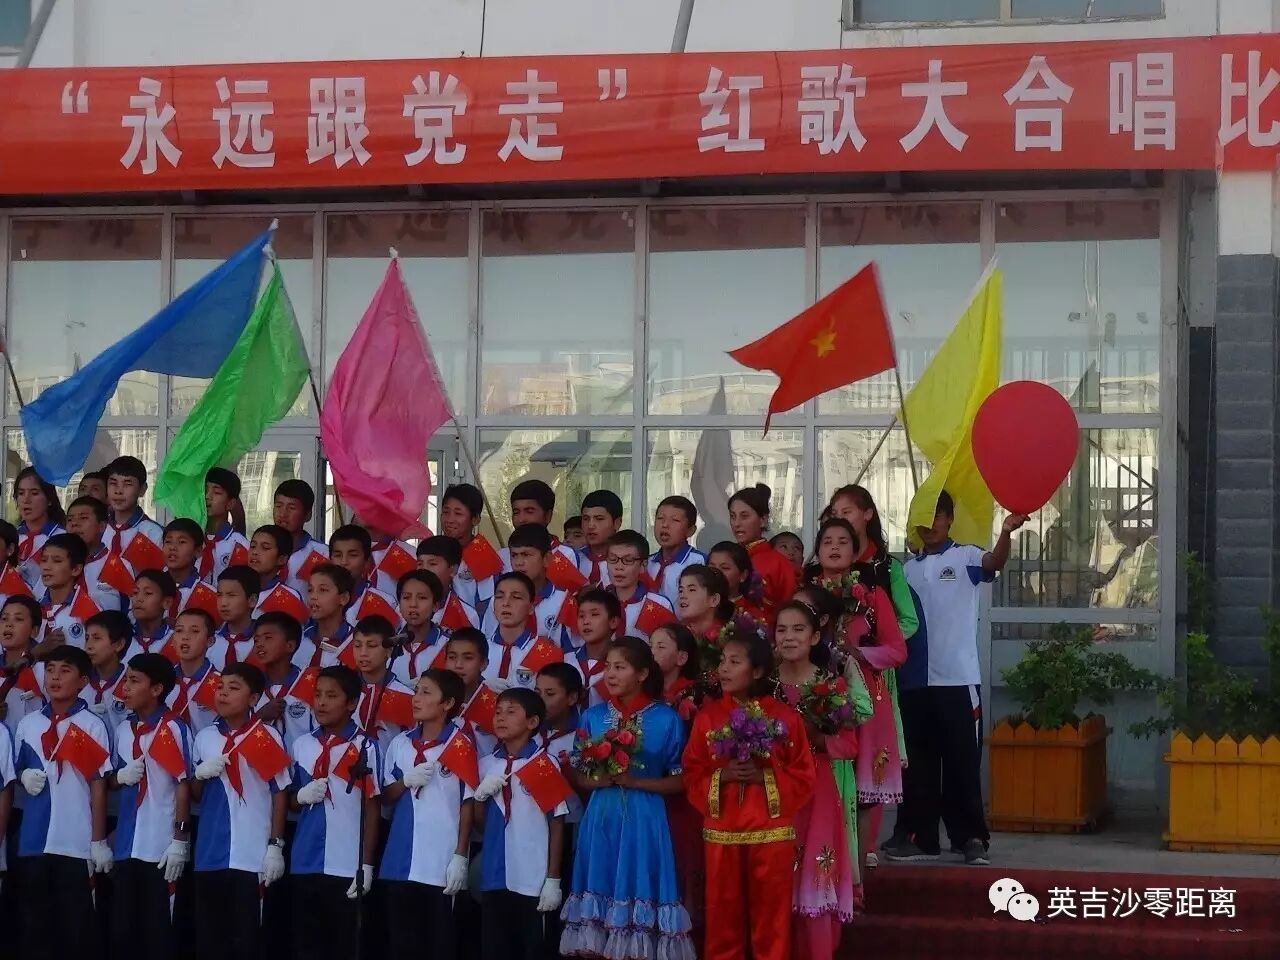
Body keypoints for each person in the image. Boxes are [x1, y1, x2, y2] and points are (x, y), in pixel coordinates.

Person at [891, 491, 1026, 867]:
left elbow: (994, 562)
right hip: (914, 681)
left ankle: (970, 837)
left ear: (949, 519)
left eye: (938, 515)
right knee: (918, 764)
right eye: (923, 517)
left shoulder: (965, 556)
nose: (930, 524)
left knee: (961, 762)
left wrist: (1006, 533)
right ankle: (920, 838)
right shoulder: (906, 571)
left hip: (957, 680)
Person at [681, 628, 814, 960]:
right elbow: (692, 772)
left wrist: (764, 777)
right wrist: (722, 775)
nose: (724, 669)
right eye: (723, 661)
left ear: (757, 671)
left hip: (771, 833)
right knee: (722, 918)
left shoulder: (785, 718)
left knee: (772, 920)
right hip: (722, 833)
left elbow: (803, 776)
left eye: (734, 662)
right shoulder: (708, 718)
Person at [560, 637, 692, 959]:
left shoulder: (666, 719)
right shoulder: (592, 716)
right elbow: (579, 774)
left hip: (645, 817)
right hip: (601, 816)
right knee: (597, 897)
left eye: (620, 667)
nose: (610, 674)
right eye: (608, 667)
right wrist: (598, 780)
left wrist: (636, 781)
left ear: (642, 674)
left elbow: (682, 780)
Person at [825, 484, 920, 869]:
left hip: (873, 674)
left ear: (866, 515)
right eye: (834, 514)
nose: (840, 521)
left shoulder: (884, 571)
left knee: (870, 764)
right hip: (826, 682)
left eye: (847, 511)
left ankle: (863, 853)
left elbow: (907, 625)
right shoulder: (814, 582)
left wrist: (866, 648)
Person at [810, 517, 906, 874]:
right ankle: (823, 876)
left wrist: (859, 654)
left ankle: (857, 878)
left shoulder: (872, 596)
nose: (834, 547)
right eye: (827, 542)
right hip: (816, 698)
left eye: (843, 542)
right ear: (817, 552)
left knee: (864, 796)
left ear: (855, 553)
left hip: (866, 700)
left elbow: (897, 651)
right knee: (824, 785)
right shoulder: (805, 596)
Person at [774, 600, 865, 952]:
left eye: (798, 630)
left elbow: (850, 744)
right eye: (781, 630)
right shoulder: (763, 684)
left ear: (814, 637)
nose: (789, 637)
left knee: (816, 869)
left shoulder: (830, 685)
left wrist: (815, 738)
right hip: (773, 790)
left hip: (818, 789)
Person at [14, 645, 113, 960]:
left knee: (75, 929)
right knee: (34, 927)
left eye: (65, 670)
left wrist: (98, 841)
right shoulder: (29, 724)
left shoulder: (91, 724)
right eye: (50, 670)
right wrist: (23, 774)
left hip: (74, 841)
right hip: (33, 839)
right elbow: (16, 768)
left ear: (83, 680)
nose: (55, 677)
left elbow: (98, 784)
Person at [191, 662, 291, 960]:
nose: (223, 693)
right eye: (220, 687)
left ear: (253, 698)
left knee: (246, 940)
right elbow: (196, 795)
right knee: (210, 938)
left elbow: (280, 792)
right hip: (209, 852)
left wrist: (275, 846)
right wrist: (200, 775)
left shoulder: (264, 735)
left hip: (251, 853)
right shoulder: (205, 737)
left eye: (233, 688)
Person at [380, 667, 475, 959]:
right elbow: (385, 796)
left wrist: (460, 855)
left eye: (426, 692)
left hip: (440, 860)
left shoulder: (459, 744)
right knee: (401, 942)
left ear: (447, 703)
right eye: (416, 691)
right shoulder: (400, 743)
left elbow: (468, 801)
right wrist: (405, 782)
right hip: (400, 857)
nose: (416, 698)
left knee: (438, 943)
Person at [289, 664, 382, 960]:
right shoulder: (302, 744)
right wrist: (300, 796)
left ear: (351, 703)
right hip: (305, 859)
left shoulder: (365, 746)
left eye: (331, 696)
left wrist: (367, 865)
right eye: (318, 695)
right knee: (306, 945)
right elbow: (289, 800)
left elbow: (372, 806)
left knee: (342, 945)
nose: (321, 702)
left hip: (346, 862)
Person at [110, 652, 192, 960]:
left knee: (157, 933)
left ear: (156, 689)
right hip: (126, 842)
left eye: (134, 681)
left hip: (159, 845)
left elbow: (183, 783)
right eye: (125, 680)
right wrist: (120, 776)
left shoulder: (174, 727)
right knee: (123, 930)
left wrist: (180, 840)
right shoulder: (123, 729)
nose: (125, 688)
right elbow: (109, 781)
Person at [476, 687, 569, 960]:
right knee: (495, 947)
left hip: (532, 875)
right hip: (495, 872)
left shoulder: (542, 763)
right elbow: (479, 825)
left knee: (532, 948)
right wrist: (480, 798)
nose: (501, 718)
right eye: (498, 712)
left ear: (532, 722)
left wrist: (553, 878)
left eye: (511, 712)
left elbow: (557, 822)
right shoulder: (486, 764)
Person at [648, 622, 704, 936]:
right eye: (650, 646)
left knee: (682, 859)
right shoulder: (645, 695)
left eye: (660, 647)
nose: (652, 653)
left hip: (684, 795)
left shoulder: (696, 695)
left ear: (682, 657)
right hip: (650, 793)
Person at [484, 524, 572, 651]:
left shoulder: (564, 601)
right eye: (514, 555)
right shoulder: (498, 601)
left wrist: (552, 651)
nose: (519, 563)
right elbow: (488, 644)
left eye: (526, 555)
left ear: (546, 558)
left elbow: (573, 652)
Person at [483, 572, 561, 692]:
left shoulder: (547, 653)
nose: (506, 603)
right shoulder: (479, 649)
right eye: (499, 597)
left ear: (531, 607)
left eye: (516, 597)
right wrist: (480, 688)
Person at [253, 611, 316, 752]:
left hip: (304, 763)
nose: (259, 644)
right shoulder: (251, 686)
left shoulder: (310, 684)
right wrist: (259, 717)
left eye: (268, 638)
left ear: (290, 646)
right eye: (256, 640)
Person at [727, 484, 797, 610]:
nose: (736, 523)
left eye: (744, 516)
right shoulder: (727, 558)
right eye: (733, 516)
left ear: (763, 520)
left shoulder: (778, 563)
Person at [351, 615, 415, 753]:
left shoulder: (405, 696)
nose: (363, 653)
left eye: (371, 646)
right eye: (357, 645)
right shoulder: (342, 688)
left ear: (389, 650)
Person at [606, 530, 675, 642]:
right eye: (613, 560)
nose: (619, 567)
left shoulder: (659, 604)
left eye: (628, 560)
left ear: (643, 565)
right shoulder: (599, 601)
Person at [37, 532, 99, 651]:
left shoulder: (89, 610)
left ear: (76, 569)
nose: (46, 567)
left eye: (57, 561)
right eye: (44, 560)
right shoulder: (32, 608)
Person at [65, 495, 124, 614]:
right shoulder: (57, 563)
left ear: (102, 526)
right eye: (70, 519)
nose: (74, 523)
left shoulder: (117, 565)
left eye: (83, 518)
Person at [12, 466, 67, 593]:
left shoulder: (62, 537)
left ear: (49, 499)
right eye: (21, 493)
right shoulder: (12, 536)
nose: (26, 500)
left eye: (34, 493)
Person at [676, 565, 736, 679]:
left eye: (691, 590)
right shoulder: (676, 634)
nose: (682, 596)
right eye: (681, 590)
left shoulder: (729, 639)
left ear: (714, 600)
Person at [83, 609, 132, 742]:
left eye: (96, 638)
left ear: (119, 644)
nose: (88, 646)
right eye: (87, 638)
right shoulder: (79, 682)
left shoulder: (132, 684)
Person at [1, 595, 46, 741]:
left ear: (34, 631)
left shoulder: (46, 671)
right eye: (4, 619)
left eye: (18, 619)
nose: (8, 625)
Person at [438, 482, 489, 610]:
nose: (449, 520)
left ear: (475, 519)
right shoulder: (433, 552)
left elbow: (486, 606)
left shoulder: (484, 556)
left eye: (458, 513)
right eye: (446, 512)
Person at [169, 608, 220, 733]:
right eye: (179, 630)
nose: (185, 637)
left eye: (195, 631)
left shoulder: (220, 684)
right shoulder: (162, 681)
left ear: (210, 641)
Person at [648, 496, 705, 607]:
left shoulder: (700, 562)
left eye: (675, 520)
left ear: (691, 530)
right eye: (660, 518)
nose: (665, 525)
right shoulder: (647, 563)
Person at [447, 628, 497, 758]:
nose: (458, 665)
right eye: (452, 657)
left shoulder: (497, 706)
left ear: (484, 664)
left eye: (467, 658)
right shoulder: (433, 702)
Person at [416, 535, 481, 633]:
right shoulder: (405, 607)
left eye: (432, 564)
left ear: (453, 570)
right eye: (420, 564)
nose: (424, 570)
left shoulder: (466, 615)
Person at [274, 479, 328, 596]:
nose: (283, 514)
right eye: (278, 506)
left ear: (308, 515)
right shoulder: (260, 549)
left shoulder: (323, 554)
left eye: (291, 508)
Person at [395, 570, 448, 684]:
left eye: (422, 598)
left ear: (435, 605)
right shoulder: (388, 646)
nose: (413, 604)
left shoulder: (448, 646)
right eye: (406, 597)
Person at [105, 455, 165, 554]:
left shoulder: (154, 533)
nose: (118, 491)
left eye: (127, 484)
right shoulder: (98, 528)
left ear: (142, 489)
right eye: (113, 483)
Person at [572, 589, 621, 708]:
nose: (586, 622)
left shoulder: (624, 663)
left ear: (613, 621)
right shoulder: (567, 659)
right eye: (581, 616)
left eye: (594, 615)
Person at [708, 540, 772, 630]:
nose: (716, 572)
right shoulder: (698, 606)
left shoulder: (751, 615)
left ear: (743, 575)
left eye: (725, 568)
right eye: (712, 567)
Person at [303, 563, 355, 670]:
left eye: (322, 590)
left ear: (344, 598)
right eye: (310, 590)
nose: (313, 597)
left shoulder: (354, 643)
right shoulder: (301, 638)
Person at [203, 467, 249, 581]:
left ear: (230, 504)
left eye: (217, 492)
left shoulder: (239, 545)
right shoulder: (193, 540)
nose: (207, 496)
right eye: (205, 490)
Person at [211, 565, 260, 669]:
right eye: (219, 595)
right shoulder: (209, 641)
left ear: (252, 600)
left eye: (231, 595)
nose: (223, 603)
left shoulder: (263, 642)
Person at [125, 569, 178, 662]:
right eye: (135, 592)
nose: (139, 599)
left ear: (167, 602)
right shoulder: (122, 640)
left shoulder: (176, 641)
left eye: (148, 593)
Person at [578, 489, 623, 586]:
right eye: (586, 519)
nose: (590, 525)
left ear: (617, 523)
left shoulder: (628, 563)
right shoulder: (573, 560)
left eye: (599, 519)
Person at [162, 517, 205, 595]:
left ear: (198, 551)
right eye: (168, 541)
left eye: (182, 542)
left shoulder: (206, 594)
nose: (172, 547)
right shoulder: (153, 588)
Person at [249, 523, 293, 593]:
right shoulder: (237, 590)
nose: (255, 552)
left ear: (282, 559)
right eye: (253, 546)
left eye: (265, 547)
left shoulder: (288, 596)